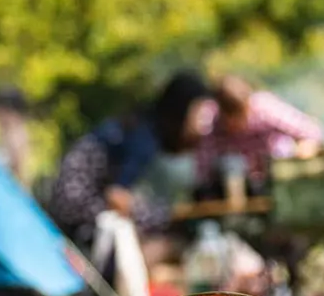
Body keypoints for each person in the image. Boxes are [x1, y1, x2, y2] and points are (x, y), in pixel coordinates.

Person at [48, 70, 214, 268]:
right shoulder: (144, 137)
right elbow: (117, 197)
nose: (204, 124)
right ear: (182, 110)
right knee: (160, 234)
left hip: (73, 204)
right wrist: (168, 216)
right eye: (199, 114)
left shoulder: (141, 126)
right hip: (76, 209)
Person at [194, 75, 324, 196]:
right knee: (231, 164)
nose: (236, 123)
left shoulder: (264, 108)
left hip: (276, 181)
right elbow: (203, 171)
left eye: (240, 115)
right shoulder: (211, 122)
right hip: (234, 188)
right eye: (230, 118)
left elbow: (310, 131)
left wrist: (302, 153)